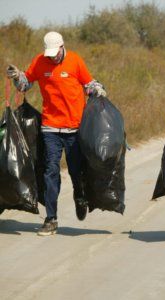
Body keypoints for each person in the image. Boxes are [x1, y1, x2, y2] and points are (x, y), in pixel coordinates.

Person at [6, 31, 106, 236]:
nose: (53, 57)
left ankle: (80, 196)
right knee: (50, 171)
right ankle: (51, 219)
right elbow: (25, 85)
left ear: (62, 46)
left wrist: (98, 89)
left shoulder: (75, 61)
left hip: (74, 127)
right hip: (50, 126)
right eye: (50, 54)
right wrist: (17, 76)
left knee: (76, 171)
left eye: (56, 53)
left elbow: (89, 84)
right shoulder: (40, 61)